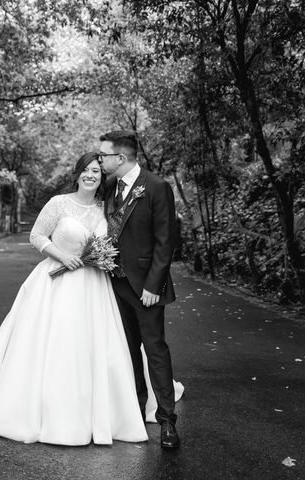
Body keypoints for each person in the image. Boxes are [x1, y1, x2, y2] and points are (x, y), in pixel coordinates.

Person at [0, 152, 149, 445]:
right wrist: (63, 256)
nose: (90, 175)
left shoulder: (105, 209)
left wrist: (96, 259)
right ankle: (40, 411)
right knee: (51, 344)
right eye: (85, 170)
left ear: (102, 177)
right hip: (54, 282)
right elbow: (36, 235)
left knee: (90, 344)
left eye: (96, 171)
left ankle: (95, 411)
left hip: (94, 287)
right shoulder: (58, 203)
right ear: (77, 174)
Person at [99, 130, 181, 449]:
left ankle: (167, 421)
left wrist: (154, 285)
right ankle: (135, 410)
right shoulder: (108, 188)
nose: (100, 159)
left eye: (104, 154)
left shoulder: (157, 186)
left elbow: (166, 241)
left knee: (155, 350)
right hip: (114, 285)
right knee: (128, 351)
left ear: (121, 158)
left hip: (146, 287)